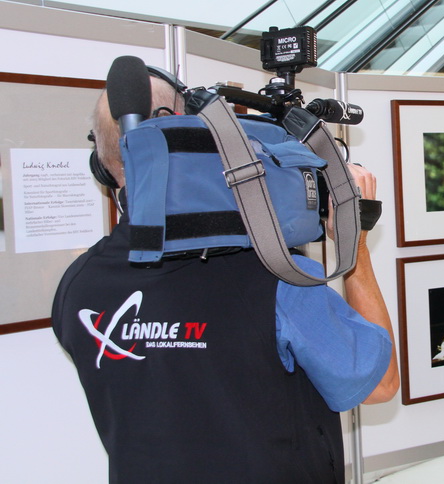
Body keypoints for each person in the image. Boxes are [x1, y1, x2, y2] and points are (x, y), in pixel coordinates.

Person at [52, 73, 399, 483]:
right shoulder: (280, 277)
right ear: (188, 132)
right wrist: (355, 244)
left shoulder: (78, 285)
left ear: (103, 164)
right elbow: (380, 385)